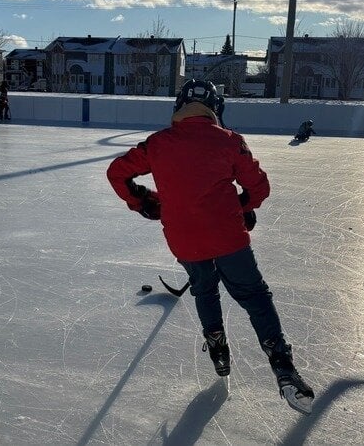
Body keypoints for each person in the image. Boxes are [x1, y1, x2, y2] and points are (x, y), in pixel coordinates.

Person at [107, 79, 315, 415]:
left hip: (184, 239)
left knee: (205, 290)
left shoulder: (158, 144)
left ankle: (218, 349)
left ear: (179, 108)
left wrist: (144, 201)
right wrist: (242, 207)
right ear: (216, 109)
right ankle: (282, 366)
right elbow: (259, 187)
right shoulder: (230, 141)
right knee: (254, 296)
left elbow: (117, 173)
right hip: (227, 237)